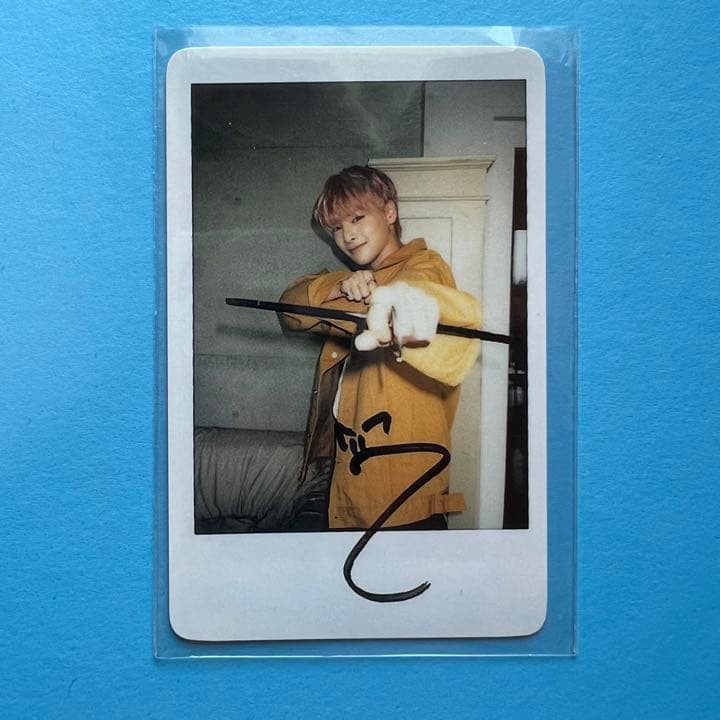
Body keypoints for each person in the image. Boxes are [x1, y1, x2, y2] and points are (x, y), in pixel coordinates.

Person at [280, 165, 482, 531]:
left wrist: (399, 302)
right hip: (348, 478)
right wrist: (342, 286)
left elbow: (424, 291)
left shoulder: (425, 265)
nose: (347, 235)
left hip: (404, 494)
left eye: (357, 217)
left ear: (389, 212)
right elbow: (289, 309)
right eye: (337, 227)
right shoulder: (350, 281)